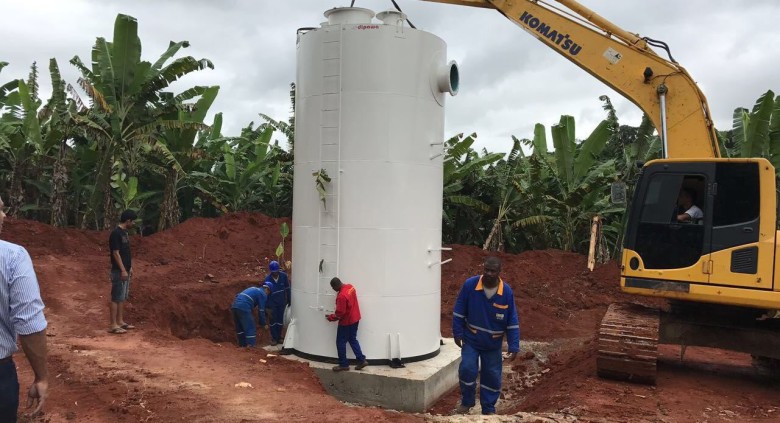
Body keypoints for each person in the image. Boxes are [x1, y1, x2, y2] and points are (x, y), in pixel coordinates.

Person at [0, 195, 49, 421]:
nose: (4, 216)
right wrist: (41, 378)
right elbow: (30, 323)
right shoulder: (12, 257)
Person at [452, 256, 519, 415]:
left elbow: (512, 321)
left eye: (492, 271)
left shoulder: (506, 292)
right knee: (467, 369)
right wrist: (457, 333)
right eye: (486, 270)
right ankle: (467, 402)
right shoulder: (470, 285)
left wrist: (514, 345)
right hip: (472, 340)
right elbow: (459, 310)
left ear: (499, 272)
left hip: (493, 345)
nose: (488, 274)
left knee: (492, 376)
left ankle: (488, 408)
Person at [325, 277, 368, 372]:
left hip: (346, 322)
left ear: (336, 285)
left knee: (340, 342)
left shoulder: (341, 296)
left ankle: (343, 364)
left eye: (333, 287)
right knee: (352, 339)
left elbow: (340, 313)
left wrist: (331, 317)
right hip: (355, 318)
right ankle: (361, 360)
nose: (333, 289)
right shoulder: (350, 287)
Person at [108, 210, 137, 334]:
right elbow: (116, 253)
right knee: (116, 297)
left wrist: (129, 267)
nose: (134, 223)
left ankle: (120, 321)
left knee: (122, 297)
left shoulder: (125, 233)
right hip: (119, 271)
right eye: (133, 221)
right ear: (128, 221)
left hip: (125, 269)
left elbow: (126, 252)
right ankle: (113, 324)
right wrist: (123, 269)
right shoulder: (116, 234)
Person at [231, 283, 271, 347]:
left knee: (240, 327)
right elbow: (261, 310)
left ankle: (242, 346)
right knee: (250, 327)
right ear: (267, 289)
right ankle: (251, 347)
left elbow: (238, 295)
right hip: (244, 306)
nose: (267, 294)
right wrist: (263, 323)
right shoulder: (262, 294)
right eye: (269, 292)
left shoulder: (253, 289)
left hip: (235, 306)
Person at [263, 261, 290, 346]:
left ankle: (279, 337)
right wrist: (266, 307)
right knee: (273, 321)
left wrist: (289, 299)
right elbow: (266, 294)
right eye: (273, 272)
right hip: (272, 304)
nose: (275, 274)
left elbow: (287, 288)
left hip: (281, 302)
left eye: (276, 271)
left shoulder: (283, 276)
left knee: (280, 321)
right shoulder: (267, 279)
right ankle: (274, 338)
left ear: (279, 270)